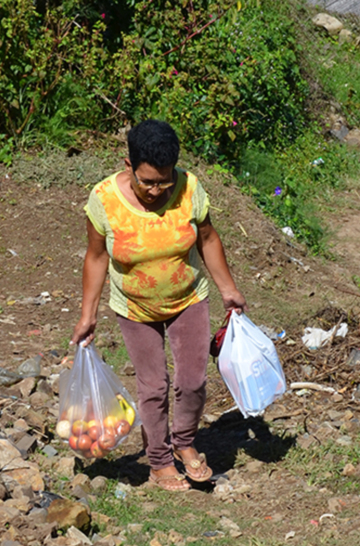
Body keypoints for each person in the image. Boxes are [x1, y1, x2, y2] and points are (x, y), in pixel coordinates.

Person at [72, 119, 247, 491]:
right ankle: (159, 461)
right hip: (135, 307)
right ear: (128, 165)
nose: (156, 190)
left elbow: (208, 238)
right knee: (153, 386)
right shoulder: (104, 200)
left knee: (193, 382)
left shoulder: (190, 189)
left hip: (188, 298)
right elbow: (97, 256)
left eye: (164, 181)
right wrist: (88, 315)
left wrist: (227, 288)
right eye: (147, 181)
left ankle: (184, 443)